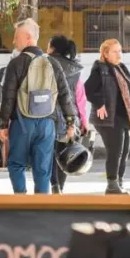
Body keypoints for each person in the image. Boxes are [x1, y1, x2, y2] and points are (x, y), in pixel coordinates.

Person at [0, 19, 77, 195]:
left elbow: (8, 96)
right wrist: (71, 122)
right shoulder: (53, 63)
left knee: (16, 164)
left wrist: (3, 124)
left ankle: (21, 200)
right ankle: (41, 203)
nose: (13, 41)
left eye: (16, 37)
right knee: (43, 168)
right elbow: (65, 95)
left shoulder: (16, 63)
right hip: (47, 124)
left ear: (28, 37)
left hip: (22, 122)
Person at [85, 38, 130, 195]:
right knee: (115, 151)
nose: (119, 54)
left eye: (120, 51)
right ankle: (112, 185)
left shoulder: (121, 68)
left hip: (122, 118)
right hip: (108, 118)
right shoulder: (101, 69)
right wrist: (100, 103)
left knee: (124, 152)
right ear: (105, 53)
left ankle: (119, 183)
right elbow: (87, 89)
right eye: (115, 51)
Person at [46, 36, 90, 194]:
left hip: (47, 118)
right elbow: (80, 100)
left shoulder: (45, 64)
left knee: (48, 155)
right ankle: (60, 189)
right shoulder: (74, 70)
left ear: (53, 48)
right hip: (70, 119)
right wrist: (84, 122)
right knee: (64, 155)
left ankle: (53, 185)